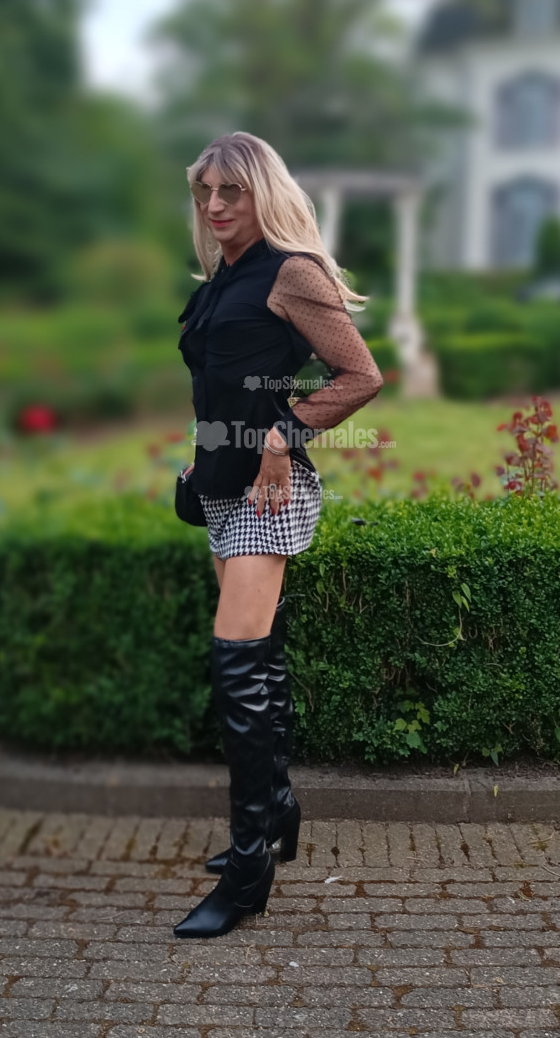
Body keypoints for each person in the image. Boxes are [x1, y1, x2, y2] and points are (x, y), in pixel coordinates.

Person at [172, 132, 383, 940]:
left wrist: (280, 433)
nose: (215, 205)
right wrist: (202, 456)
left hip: (269, 494)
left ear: (263, 191)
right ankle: (278, 812)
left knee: (237, 671)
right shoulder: (224, 276)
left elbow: (359, 375)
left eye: (231, 190)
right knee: (257, 661)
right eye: (205, 192)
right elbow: (219, 384)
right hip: (221, 486)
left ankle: (250, 867)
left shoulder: (291, 272)